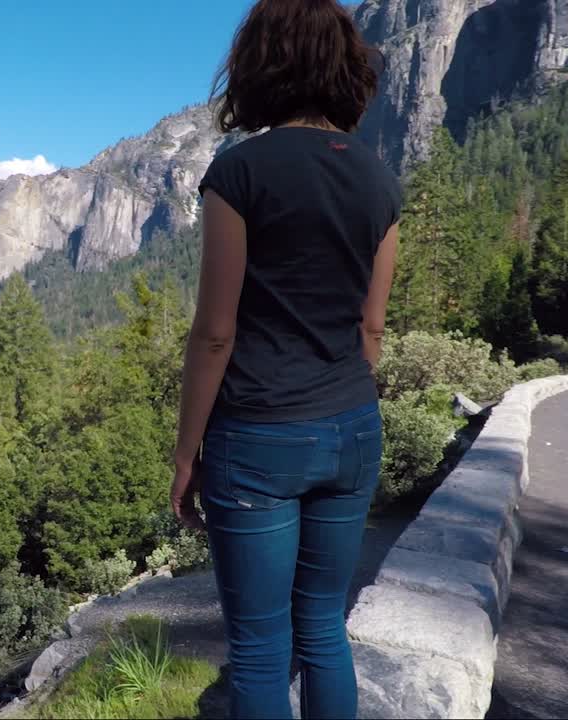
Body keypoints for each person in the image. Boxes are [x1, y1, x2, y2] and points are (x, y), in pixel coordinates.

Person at [169, 2, 401, 718]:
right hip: (353, 428)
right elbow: (371, 328)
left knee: (263, 651)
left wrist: (185, 457)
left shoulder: (239, 173)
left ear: (261, 66)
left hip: (259, 437)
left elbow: (215, 332)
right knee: (325, 630)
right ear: (345, 72)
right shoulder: (380, 180)